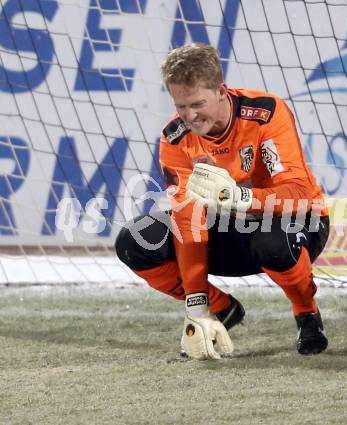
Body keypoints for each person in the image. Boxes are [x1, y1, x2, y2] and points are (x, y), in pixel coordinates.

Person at [115, 43, 330, 360]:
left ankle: (306, 313)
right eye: (181, 106)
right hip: (228, 232)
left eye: (198, 103)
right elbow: (188, 222)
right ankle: (222, 309)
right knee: (135, 240)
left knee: (273, 241)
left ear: (221, 90)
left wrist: (240, 197)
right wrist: (197, 305)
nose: (189, 115)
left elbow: (297, 194)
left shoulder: (266, 113)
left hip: (295, 223)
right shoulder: (175, 138)